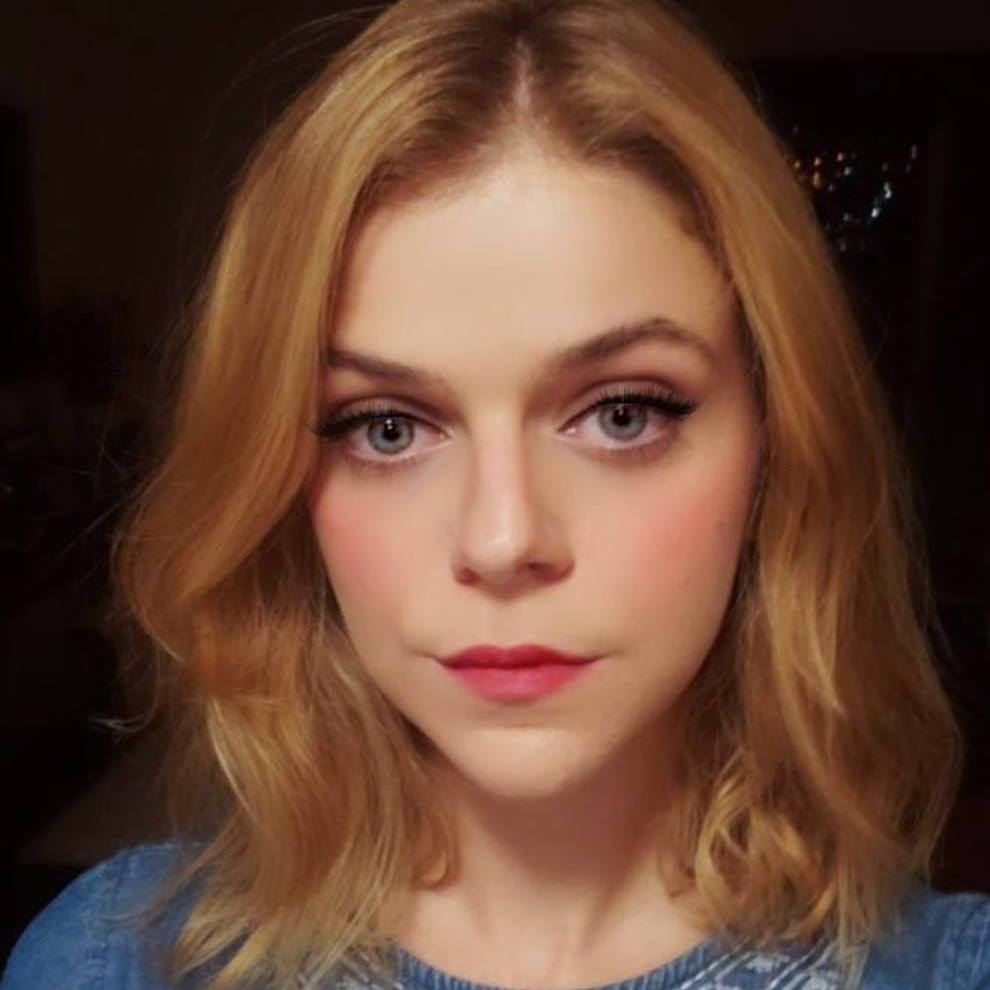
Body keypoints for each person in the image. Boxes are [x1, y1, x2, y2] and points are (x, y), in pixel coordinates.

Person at [4, 0, 989, 988]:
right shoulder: (108, 964)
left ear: (776, 441)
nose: (503, 538)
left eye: (623, 414)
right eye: (387, 427)